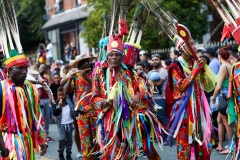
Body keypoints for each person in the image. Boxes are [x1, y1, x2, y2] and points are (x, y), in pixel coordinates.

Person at [92, 35, 163, 159]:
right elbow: (94, 98)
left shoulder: (131, 73)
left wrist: (138, 94)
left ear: (122, 57)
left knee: (131, 152)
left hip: (129, 119)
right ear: (107, 57)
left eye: (117, 55)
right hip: (110, 121)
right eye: (111, 55)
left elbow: (144, 90)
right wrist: (103, 102)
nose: (114, 57)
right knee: (113, 153)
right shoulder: (100, 74)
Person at [166, 41, 213, 159]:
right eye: (190, 45)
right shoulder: (175, 66)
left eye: (194, 44)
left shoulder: (194, 62)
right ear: (181, 49)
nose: (194, 47)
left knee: (202, 139)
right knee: (184, 140)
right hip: (184, 110)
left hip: (198, 107)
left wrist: (203, 71)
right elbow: (181, 86)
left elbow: (204, 84)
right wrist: (196, 70)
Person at [0, 50, 48, 159]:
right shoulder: (2, 89)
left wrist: (43, 139)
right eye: (20, 68)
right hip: (7, 142)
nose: (25, 72)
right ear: (10, 70)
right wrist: (3, 149)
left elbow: (37, 117)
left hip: (27, 142)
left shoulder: (30, 89)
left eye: (26, 68)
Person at [64, 54, 96, 159]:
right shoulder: (76, 76)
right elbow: (65, 92)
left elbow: (97, 88)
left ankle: (97, 156)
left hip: (95, 111)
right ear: (79, 66)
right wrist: (69, 79)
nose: (86, 64)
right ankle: (86, 157)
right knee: (85, 139)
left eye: (87, 62)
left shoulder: (95, 74)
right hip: (81, 113)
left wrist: (86, 77)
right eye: (83, 63)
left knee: (97, 138)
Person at [212, 46, 234, 154]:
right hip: (227, 96)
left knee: (226, 122)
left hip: (224, 97)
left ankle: (231, 146)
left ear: (219, 56)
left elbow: (219, 86)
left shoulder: (223, 67)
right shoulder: (230, 65)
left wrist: (213, 97)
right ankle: (221, 144)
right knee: (220, 120)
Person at [52, 86, 75, 160]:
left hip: (69, 124)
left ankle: (68, 154)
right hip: (61, 124)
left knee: (69, 140)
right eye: (59, 95)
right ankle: (61, 153)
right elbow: (55, 113)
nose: (60, 97)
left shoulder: (69, 100)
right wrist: (59, 106)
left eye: (62, 95)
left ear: (66, 95)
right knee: (62, 139)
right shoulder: (56, 103)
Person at [147, 54, 168, 127]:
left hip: (160, 98)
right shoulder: (150, 72)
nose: (154, 61)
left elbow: (159, 83)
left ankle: (170, 134)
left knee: (162, 117)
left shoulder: (163, 71)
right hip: (151, 98)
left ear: (160, 61)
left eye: (156, 60)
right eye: (153, 60)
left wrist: (148, 81)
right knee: (153, 118)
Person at [39, 63, 55, 142]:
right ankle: (42, 136)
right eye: (41, 67)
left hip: (46, 99)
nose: (42, 69)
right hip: (40, 100)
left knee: (47, 118)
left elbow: (49, 88)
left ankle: (47, 134)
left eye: (44, 68)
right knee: (41, 118)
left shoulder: (46, 78)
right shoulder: (35, 77)